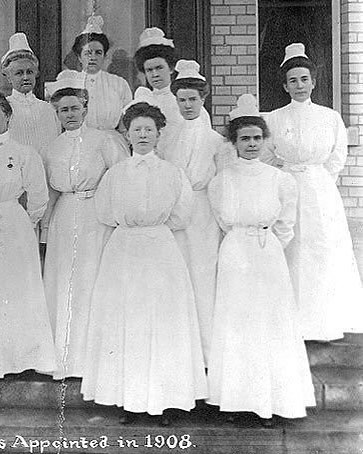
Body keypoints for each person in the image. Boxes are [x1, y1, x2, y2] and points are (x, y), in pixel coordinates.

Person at [81, 102, 206, 425]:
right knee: (128, 322)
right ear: (127, 134)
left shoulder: (172, 173)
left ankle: (164, 400)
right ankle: (128, 399)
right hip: (124, 251)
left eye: (149, 129)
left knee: (161, 323)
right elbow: (105, 213)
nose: (143, 135)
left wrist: (152, 227)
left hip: (160, 250)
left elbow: (182, 215)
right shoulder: (115, 174)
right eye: (136, 129)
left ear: (159, 133)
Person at [208, 94, 315, 426]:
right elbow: (223, 219)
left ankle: (268, 401)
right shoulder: (222, 179)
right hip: (235, 251)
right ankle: (234, 400)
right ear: (234, 143)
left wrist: (265, 244)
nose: (251, 144)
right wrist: (243, 240)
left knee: (269, 323)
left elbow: (286, 224)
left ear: (265, 140)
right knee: (236, 324)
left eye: (257, 137)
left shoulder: (280, 180)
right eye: (245, 138)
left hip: (267, 253)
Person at [263, 43, 363, 341]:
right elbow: (268, 156)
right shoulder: (275, 118)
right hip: (288, 185)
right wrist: (288, 177)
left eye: (304, 79)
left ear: (314, 81)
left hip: (320, 191)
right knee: (292, 247)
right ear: (284, 85)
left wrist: (317, 180)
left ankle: (325, 320)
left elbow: (336, 157)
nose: (299, 85)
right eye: (292, 80)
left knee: (322, 249)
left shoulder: (329, 117)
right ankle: (293, 321)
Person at [0, 91, 56, 378]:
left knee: (20, 287)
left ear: (8, 115)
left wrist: (23, 222)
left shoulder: (23, 153)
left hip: (16, 223)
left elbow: (39, 196)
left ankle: (25, 357)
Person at [42, 87, 122, 379]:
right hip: (65, 216)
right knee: (64, 282)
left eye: (75, 108)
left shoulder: (104, 140)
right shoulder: (52, 148)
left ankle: (93, 359)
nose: (70, 114)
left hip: (94, 216)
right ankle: (65, 359)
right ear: (57, 114)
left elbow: (119, 177)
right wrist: (45, 231)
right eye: (64, 110)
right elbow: (49, 193)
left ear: (85, 109)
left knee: (90, 280)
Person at [164, 60, 225, 364]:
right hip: (177, 214)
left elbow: (223, 184)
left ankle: (207, 355)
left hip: (204, 214)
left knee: (203, 277)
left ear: (204, 99)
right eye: (182, 100)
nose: (187, 105)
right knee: (178, 277)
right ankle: (179, 353)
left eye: (193, 99)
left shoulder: (216, 141)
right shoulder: (167, 138)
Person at [46, 16, 132, 155]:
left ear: (104, 56)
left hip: (113, 145)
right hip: (82, 145)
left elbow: (126, 120)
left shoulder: (118, 83)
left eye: (98, 52)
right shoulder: (70, 82)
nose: (93, 57)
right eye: (87, 53)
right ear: (79, 57)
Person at [0, 33, 61, 156]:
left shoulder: (48, 110)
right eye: (19, 73)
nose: (25, 77)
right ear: (8, 77)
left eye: (30, 72)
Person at [132, 27, 210, 157]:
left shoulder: (185, 100)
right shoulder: (143, 100)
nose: (155, 74)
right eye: (149, 70)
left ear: (171, 68)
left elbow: (202, 140)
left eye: (159, 68)